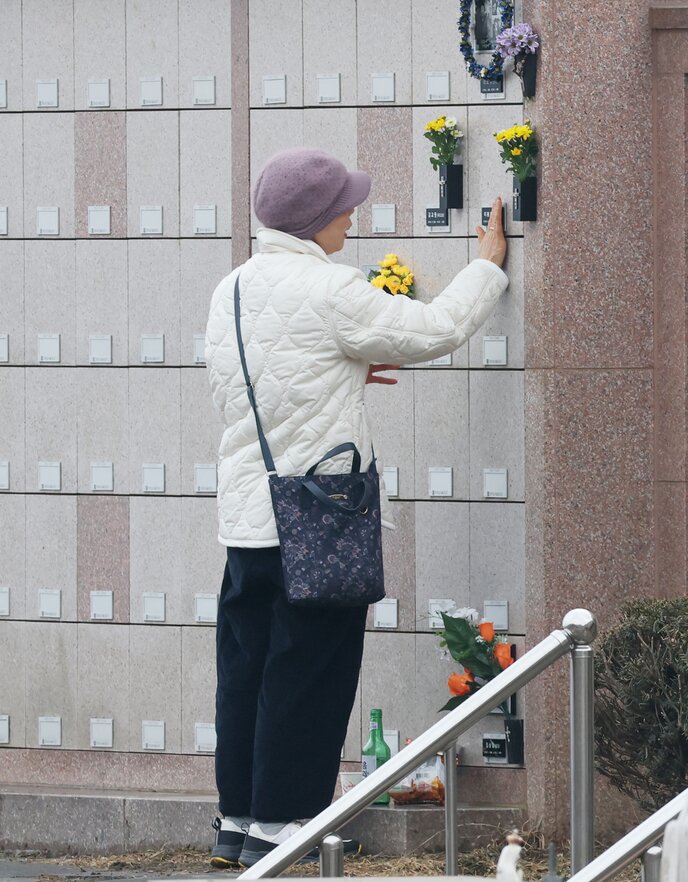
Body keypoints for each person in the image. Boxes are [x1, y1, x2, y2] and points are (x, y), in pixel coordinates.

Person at [202, 147, 509, 868]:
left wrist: (340, 374)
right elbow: (435, 329)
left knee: (247, 669)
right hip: (316, 520)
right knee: (309, 671)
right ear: (315, 219)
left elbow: (250, 384)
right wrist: (487, 266)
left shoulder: (232, 288)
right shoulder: (329, 288)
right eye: (344, 207)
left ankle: (238, 819)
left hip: (248, 518)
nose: (351, 217)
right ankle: (283, 825)